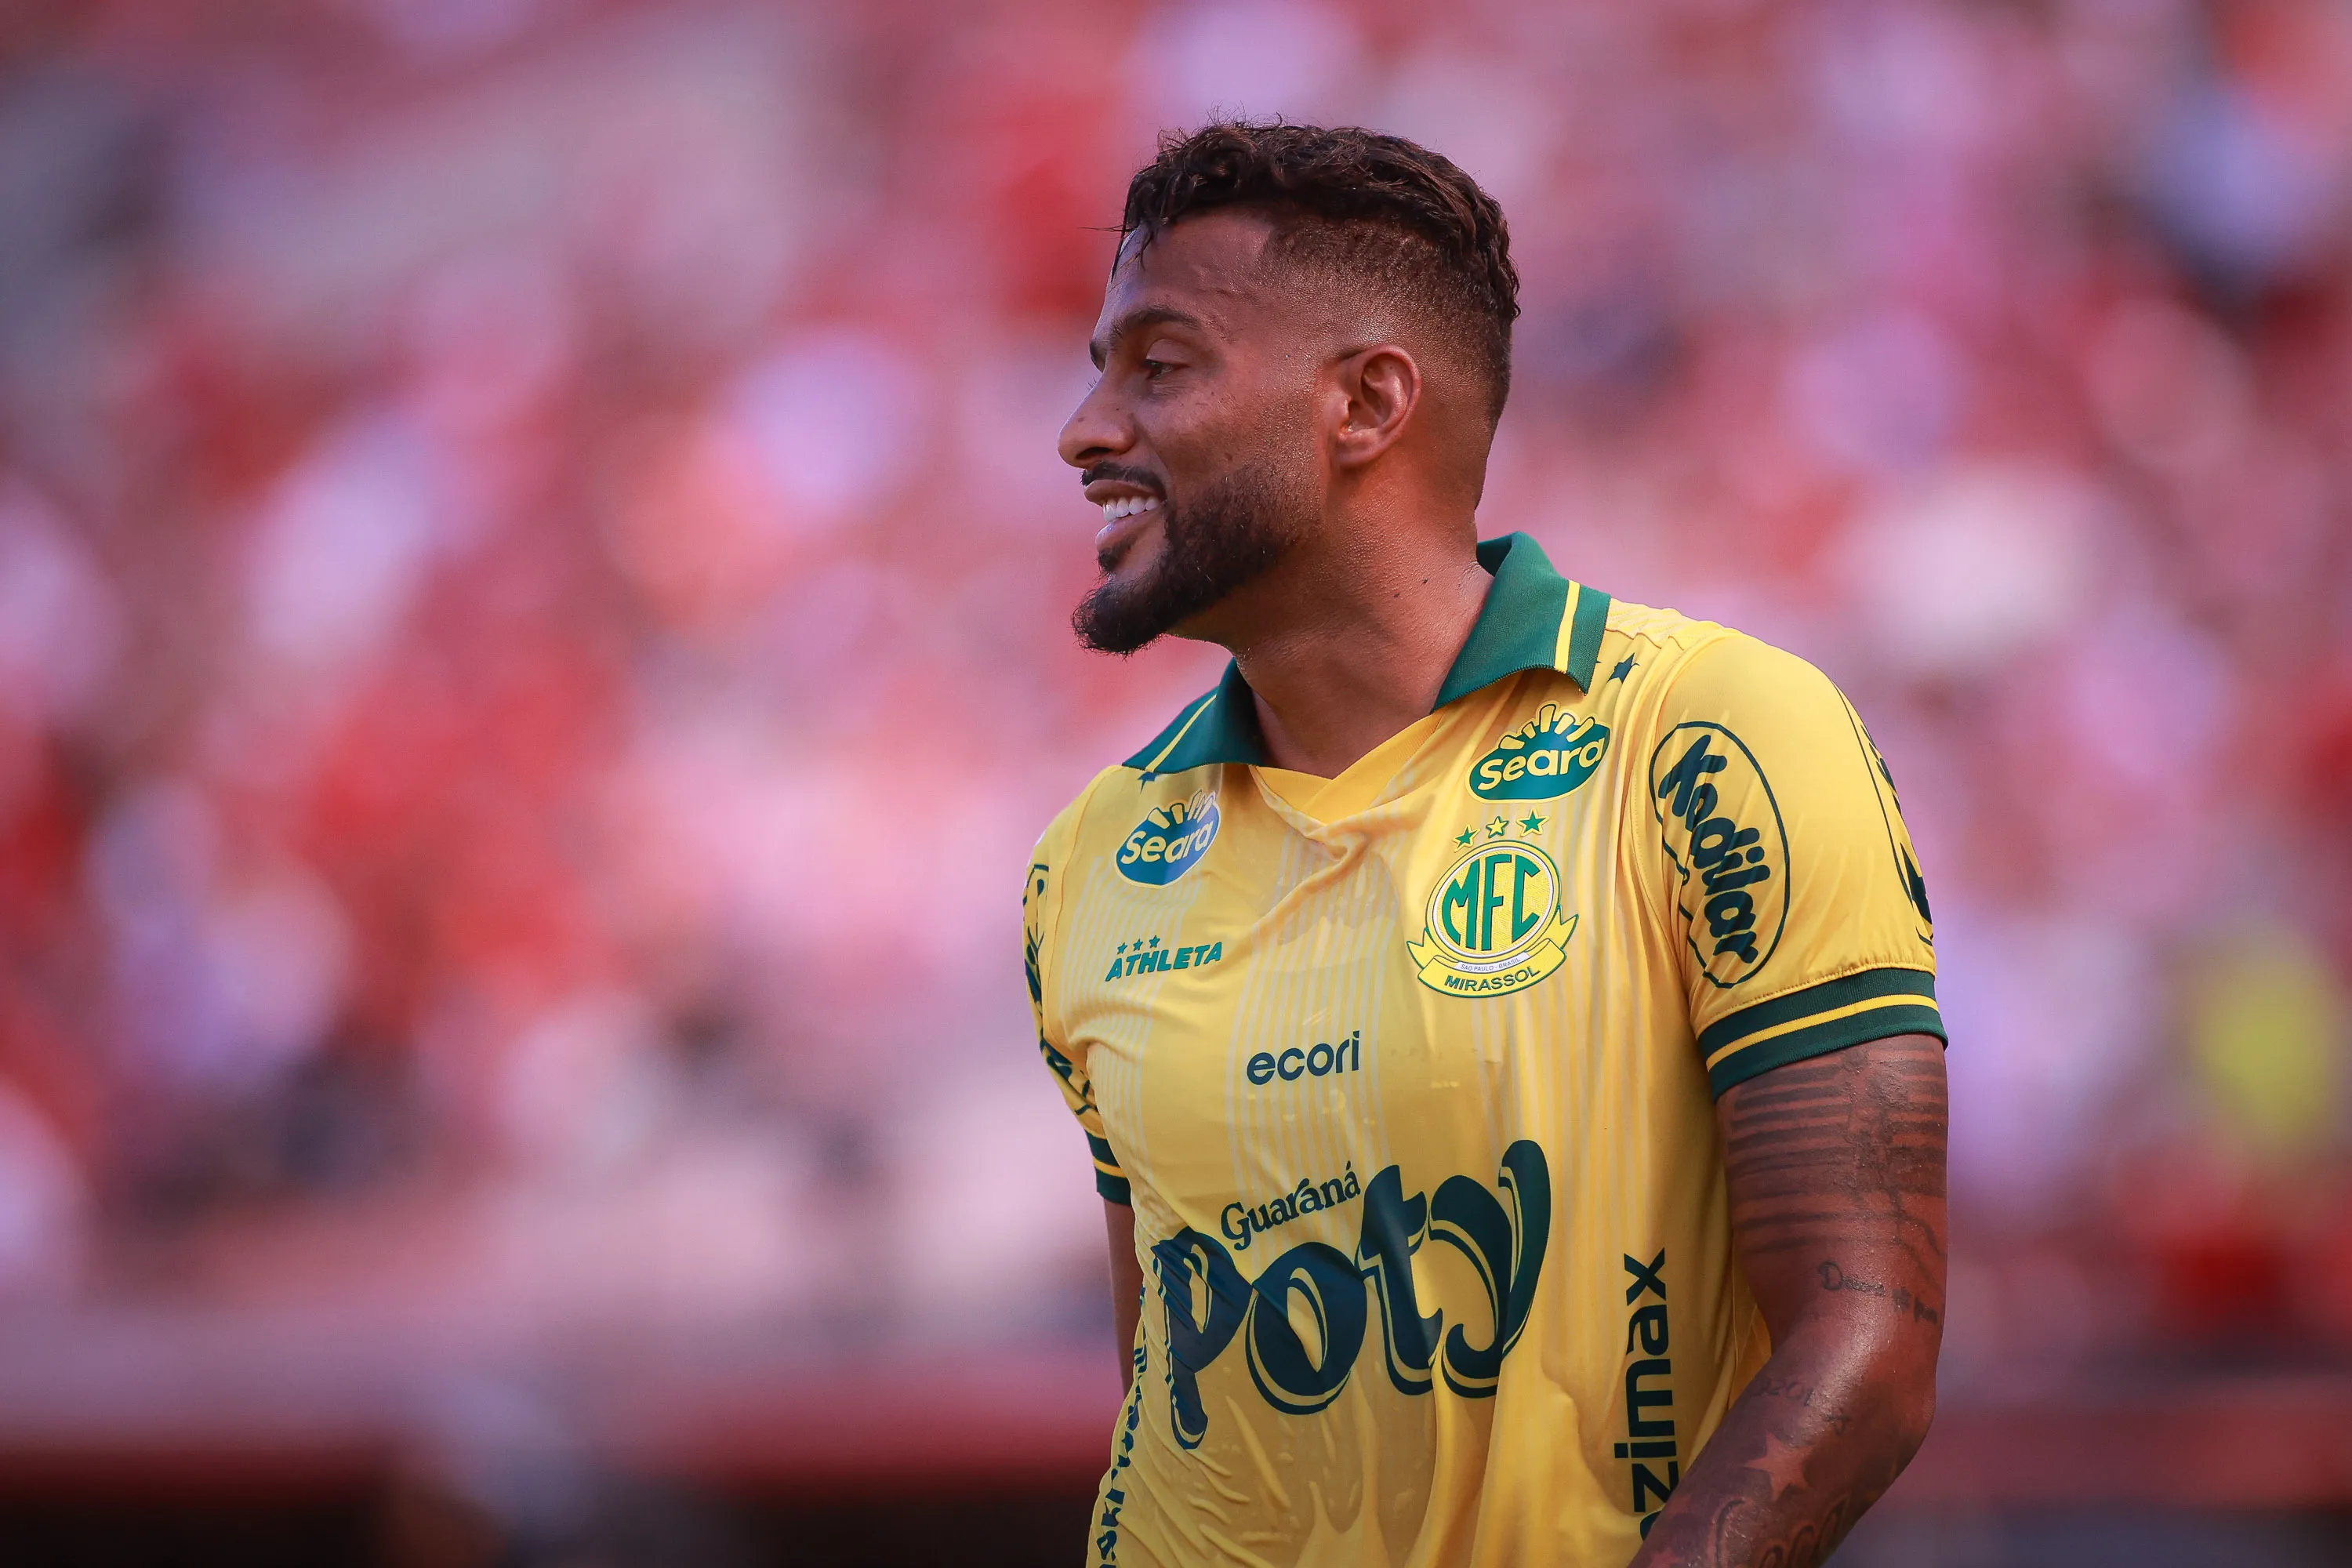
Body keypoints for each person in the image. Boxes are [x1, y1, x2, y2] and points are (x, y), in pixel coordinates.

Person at [1025, 122, 1946, 1568]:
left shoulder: (1707, 737)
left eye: (1158, 364)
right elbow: (1170, 1400)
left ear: (1367, 403)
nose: (1085, 428)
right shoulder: (1090, 859)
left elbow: (1869, 1337)